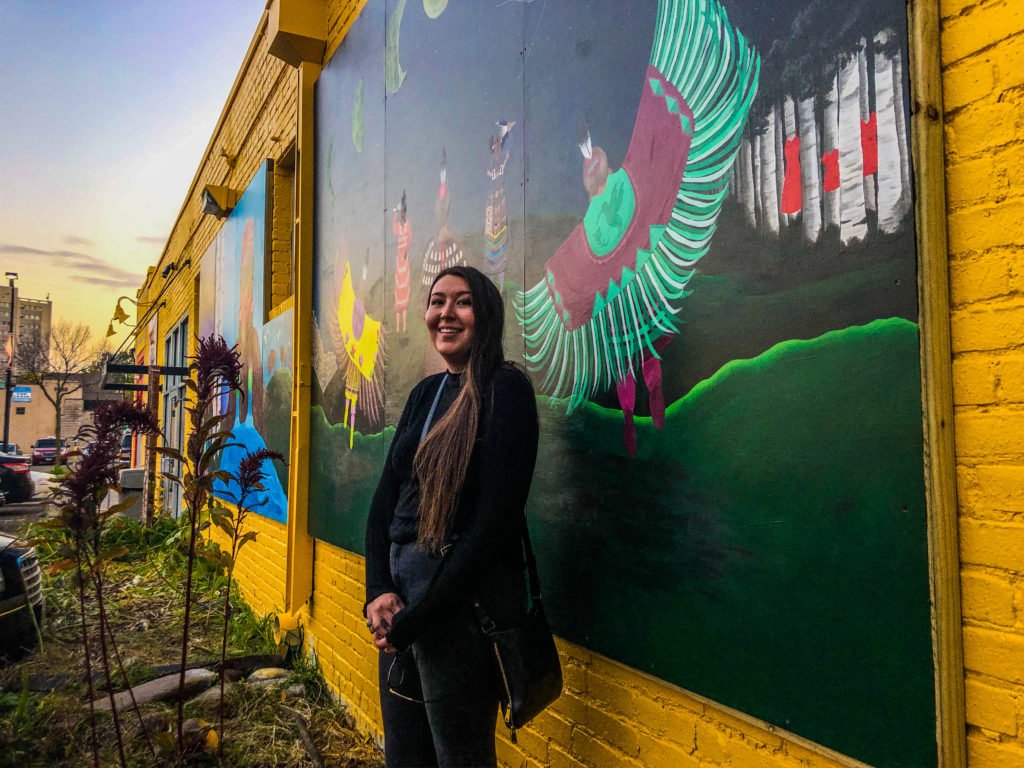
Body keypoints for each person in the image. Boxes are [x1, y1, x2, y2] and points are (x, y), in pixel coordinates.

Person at [364, 265, 539, 767]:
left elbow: (494, 523)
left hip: (456, 613)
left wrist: (421, 618)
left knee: (459, 757)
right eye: (437, 301)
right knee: (405, 754)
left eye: (461, 302)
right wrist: (377, 590)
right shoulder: (425, 394)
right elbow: (383, 501)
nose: (446, 313)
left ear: (485, 315)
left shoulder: (506, 392)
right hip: (401, 610)